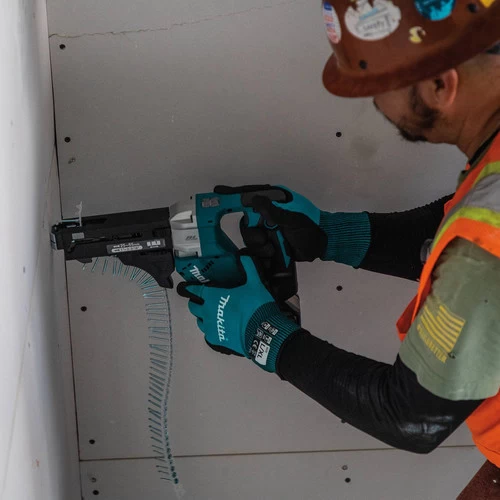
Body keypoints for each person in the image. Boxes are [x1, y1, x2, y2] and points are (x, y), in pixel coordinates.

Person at [178, 1, 500, 496]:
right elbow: (455, 238)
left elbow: (412, 418)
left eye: (377, 88)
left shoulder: (484, 242)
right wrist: (332, 235)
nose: (374, 104)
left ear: (441, 85)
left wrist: (265, 335)